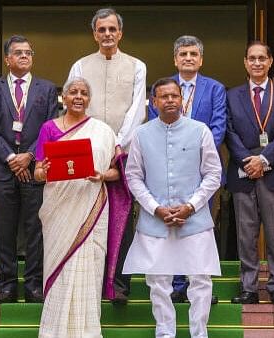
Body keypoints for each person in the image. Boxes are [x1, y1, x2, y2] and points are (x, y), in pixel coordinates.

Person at [123, 77, 222, 338]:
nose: (169, 100)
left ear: (182, 99)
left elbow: (213, 173)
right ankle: (165, 333)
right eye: (163, 97)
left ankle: (199, 333)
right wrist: (155, 208)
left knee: (200, 280)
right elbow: (133, 176)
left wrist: (191, 205)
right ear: (154, 102)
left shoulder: (200, 130)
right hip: (155, 220)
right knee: (158, 282)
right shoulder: (141, 134)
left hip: (195, 219)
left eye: (174, 96)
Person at [35, 77, 127, 338]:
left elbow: (118, 172)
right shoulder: (49, 128)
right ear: (63, 97)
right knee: (60, 266)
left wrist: (101, 175)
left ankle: (86, 331)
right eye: (72, 92)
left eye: (84, 93)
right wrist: (45, 170)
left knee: (90, 264)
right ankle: (54, 330)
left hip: (93, 207)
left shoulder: (102, 130)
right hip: (59, 210)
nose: (78, 96)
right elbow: (38, 172)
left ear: (89, 99)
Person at [68, 7, 146, 304]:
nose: (107, 34)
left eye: (112, 29)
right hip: (86, 152)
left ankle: (119, 286)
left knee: (120, 220)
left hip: (121, 154)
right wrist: (94, 145)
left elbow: (137, 110)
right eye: (102, 30)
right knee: (87, 219)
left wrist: (114, 145)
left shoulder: (137, 66)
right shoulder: (80, 65)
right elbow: (74, 107)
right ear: (94, 33)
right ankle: (90, 284)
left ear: (120, 33)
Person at [147, 35, 226, 305]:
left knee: (198, 227)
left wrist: (195, 154)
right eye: (183, 54)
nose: (188, 58)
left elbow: (218, 127)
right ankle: (176, 285)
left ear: (201, 59)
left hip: (202, 172)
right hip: (166, 171)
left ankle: (199, 282)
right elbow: (152, 127)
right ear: (175, 59)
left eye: (193, 54)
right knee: (170, 226)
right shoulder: (162, 89)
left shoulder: (215, 89)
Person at [0, 35, 58, 304]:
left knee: (35, 229)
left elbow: (51, 127)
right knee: (5, 230)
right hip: (3, 170)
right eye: (18, 52)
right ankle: (7, 286)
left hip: (35, 169)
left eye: (28, 52)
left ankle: (34, 285)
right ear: (7, 59)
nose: (24, 56)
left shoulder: (47, 89)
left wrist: (28, 156)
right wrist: (12, 158)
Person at [226, 41, 274, 305]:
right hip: (242, 172)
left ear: (270, 61)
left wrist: (263, 159)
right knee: (246, 235)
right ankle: (249, 288)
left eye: (261, 58)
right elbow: (229, 132)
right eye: (252, 58)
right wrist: (248, 160)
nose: (257, 63)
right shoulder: (231, 95)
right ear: (245, 62)